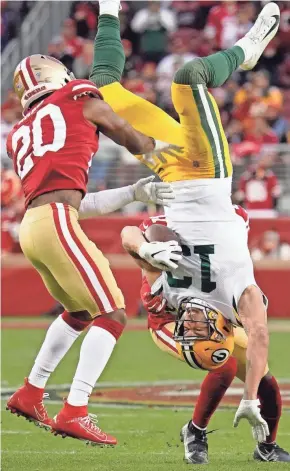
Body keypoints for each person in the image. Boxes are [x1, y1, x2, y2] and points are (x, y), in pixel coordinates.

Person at [89, 0, 281, 448]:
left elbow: (129, 235)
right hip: (208, 170)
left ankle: (109, 9)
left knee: (100, 89)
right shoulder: (239, 289)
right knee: (189, 78)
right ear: (219, 323)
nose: (192, 320)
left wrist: (145, 251)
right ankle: (246, 51)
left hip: (166, 168)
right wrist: (249, 397)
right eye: (202, 326)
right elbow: (256, 332)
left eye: (187, 327)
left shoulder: (171, 296)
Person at [5, 52, 177, 446]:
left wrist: (135, 192)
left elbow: (75, 199)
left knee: (81, 312)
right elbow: (122, 129)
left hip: (34, 226)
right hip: (56, 220)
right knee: (113, 313)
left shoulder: (19, 134)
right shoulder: (76, 96)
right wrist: (166, 154)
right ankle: (75, 410)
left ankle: (31, 393)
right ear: (57, 77)